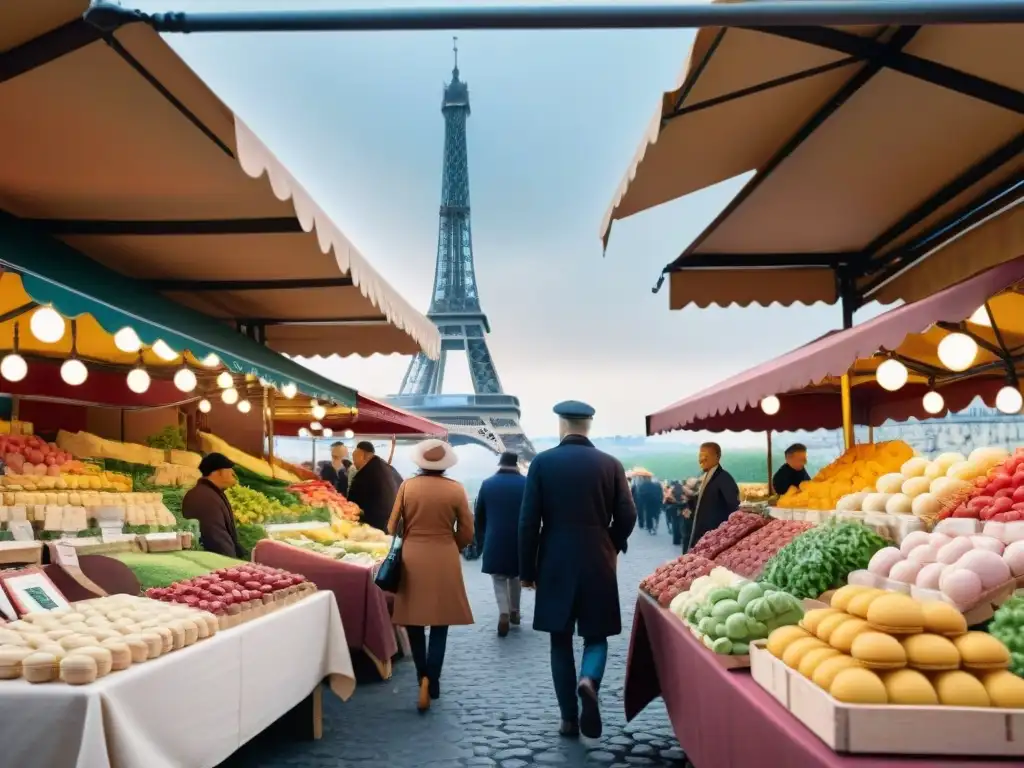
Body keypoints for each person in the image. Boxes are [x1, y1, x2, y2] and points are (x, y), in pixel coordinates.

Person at [519, 401, 637, 739]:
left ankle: (568, 719)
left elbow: (528, 521)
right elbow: (627, 515)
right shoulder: (611, 464)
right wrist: (609, 542)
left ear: (561, 425)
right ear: (589, 427)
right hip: (598, 558)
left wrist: (527, 569)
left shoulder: (542, 463)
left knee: (560, 639)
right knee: (596, 634)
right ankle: (589, 679)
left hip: (555, 557)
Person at [387, 439, 474, 712]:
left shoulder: (407, 486)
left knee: (414, 621)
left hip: (413, 555)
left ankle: (421, 675)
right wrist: (452, 545)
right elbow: (468, 532)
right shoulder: (456, 489)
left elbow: (392, 526)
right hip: (444, 557)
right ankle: (433, 680)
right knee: (440, 622)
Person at [474, 451, 527, 636]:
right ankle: (515, 611)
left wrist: (481, 538)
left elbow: (479, 515)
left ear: (500, 464)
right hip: (520, 539)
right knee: (515, 576)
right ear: (517, 464)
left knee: (498, 578)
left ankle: (503, 612)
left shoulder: (487, 484)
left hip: (495, 538)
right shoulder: (527, 484)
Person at [181, 453, 245, 558]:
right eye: (229, 469)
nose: (233, 473)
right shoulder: (204, 497)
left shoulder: (209, 493)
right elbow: (216, 537)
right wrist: (230, 564)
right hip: (213, 564)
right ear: (219, 472)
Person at [688, 442, 740, 551]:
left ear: (717, 457)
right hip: (701, 536)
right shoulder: (705, 476)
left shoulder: (724, 478)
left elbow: (734, 508)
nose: (701, 460)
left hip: (714, 539)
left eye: (705, 456)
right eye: (700, 456)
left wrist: (723, 534)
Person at [348, 441, 399, 532]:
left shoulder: (365, 475)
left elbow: (352, 505)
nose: (353, 462)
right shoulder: (390, 469)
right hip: (393, 524)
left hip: (375, 527)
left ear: (361, 456)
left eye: (354, 458)